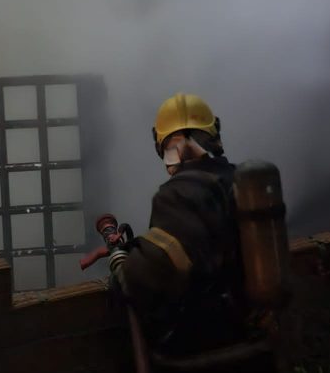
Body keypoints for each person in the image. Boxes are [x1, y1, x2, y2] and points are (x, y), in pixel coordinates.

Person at [106, 93, 249, 360]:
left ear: (166, 146)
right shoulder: (240, 181)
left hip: (208, 348)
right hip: (253, 336)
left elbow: (148, 276)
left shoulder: (177, 195)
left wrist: (122, 265)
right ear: (212, 134)